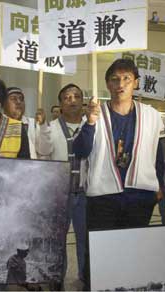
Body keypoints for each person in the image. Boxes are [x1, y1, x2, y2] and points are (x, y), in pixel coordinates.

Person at [73, 59, 164, 289]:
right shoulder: (95, 113)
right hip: (103, 196)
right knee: (99, 254)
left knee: (133, 254)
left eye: (126, 79)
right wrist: (91, 123)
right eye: (114, 79)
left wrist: (161, 186)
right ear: (107, 84)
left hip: (139, 195)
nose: (120, 84)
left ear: (136, 83)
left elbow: (161, 153)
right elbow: (80, 151)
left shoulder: (152, 115)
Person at [38, 84, 86, 285]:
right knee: (57, 240)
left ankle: (85, 275)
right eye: (67, 97)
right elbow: (42, 150)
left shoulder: (91, 125)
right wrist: (41, 128)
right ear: (60, 104)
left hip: (85, 193)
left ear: (82, 101)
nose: (72, 100)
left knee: (85, 239)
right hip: (60, 194)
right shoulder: (51, 127)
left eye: (76, 96)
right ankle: (57, 277)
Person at [2, 87, 39, 159]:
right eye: (13, 99)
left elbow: (45, 151)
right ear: (3, 104)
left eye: (21, 99)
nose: (19, 102)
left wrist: (43, 126)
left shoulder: (32, 123)